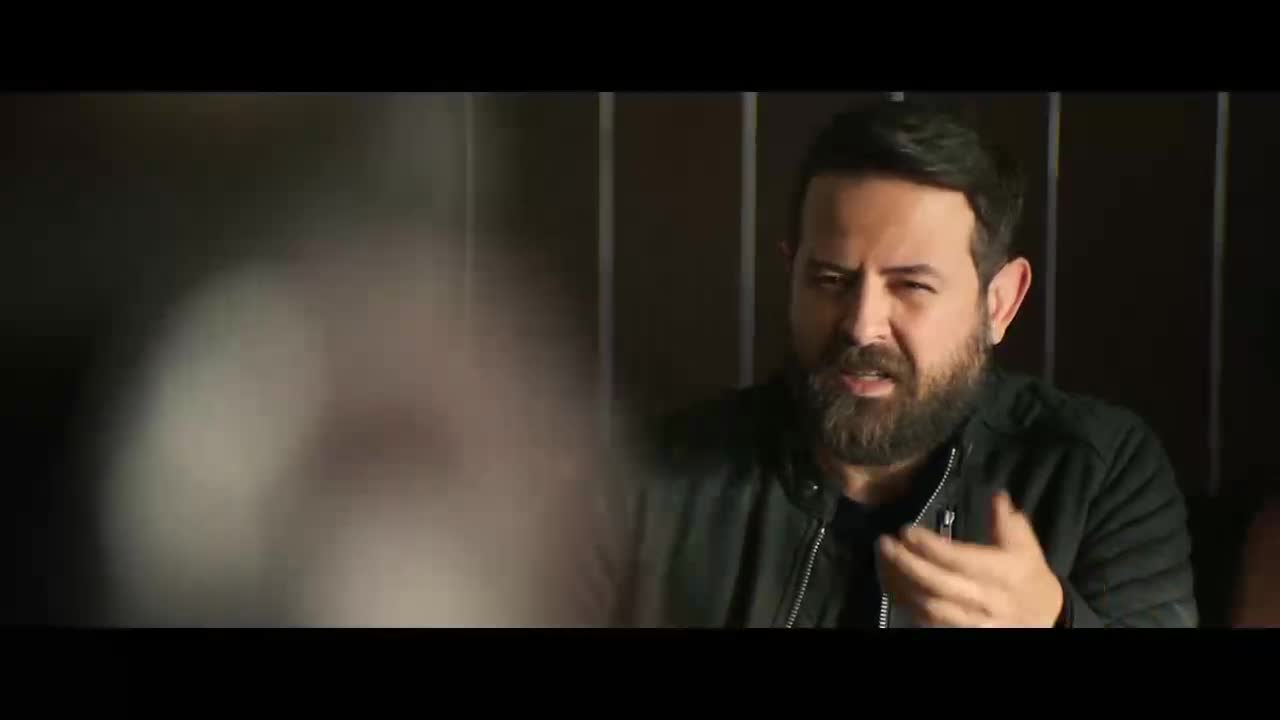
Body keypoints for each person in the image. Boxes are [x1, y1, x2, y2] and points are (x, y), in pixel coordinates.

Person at [612, 99, 1198, 628]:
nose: (861, 325)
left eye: (912, 286)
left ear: (998, 303)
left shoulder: (1096, 470)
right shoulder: (655, 480)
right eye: (830, 280)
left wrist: (1054, 621)